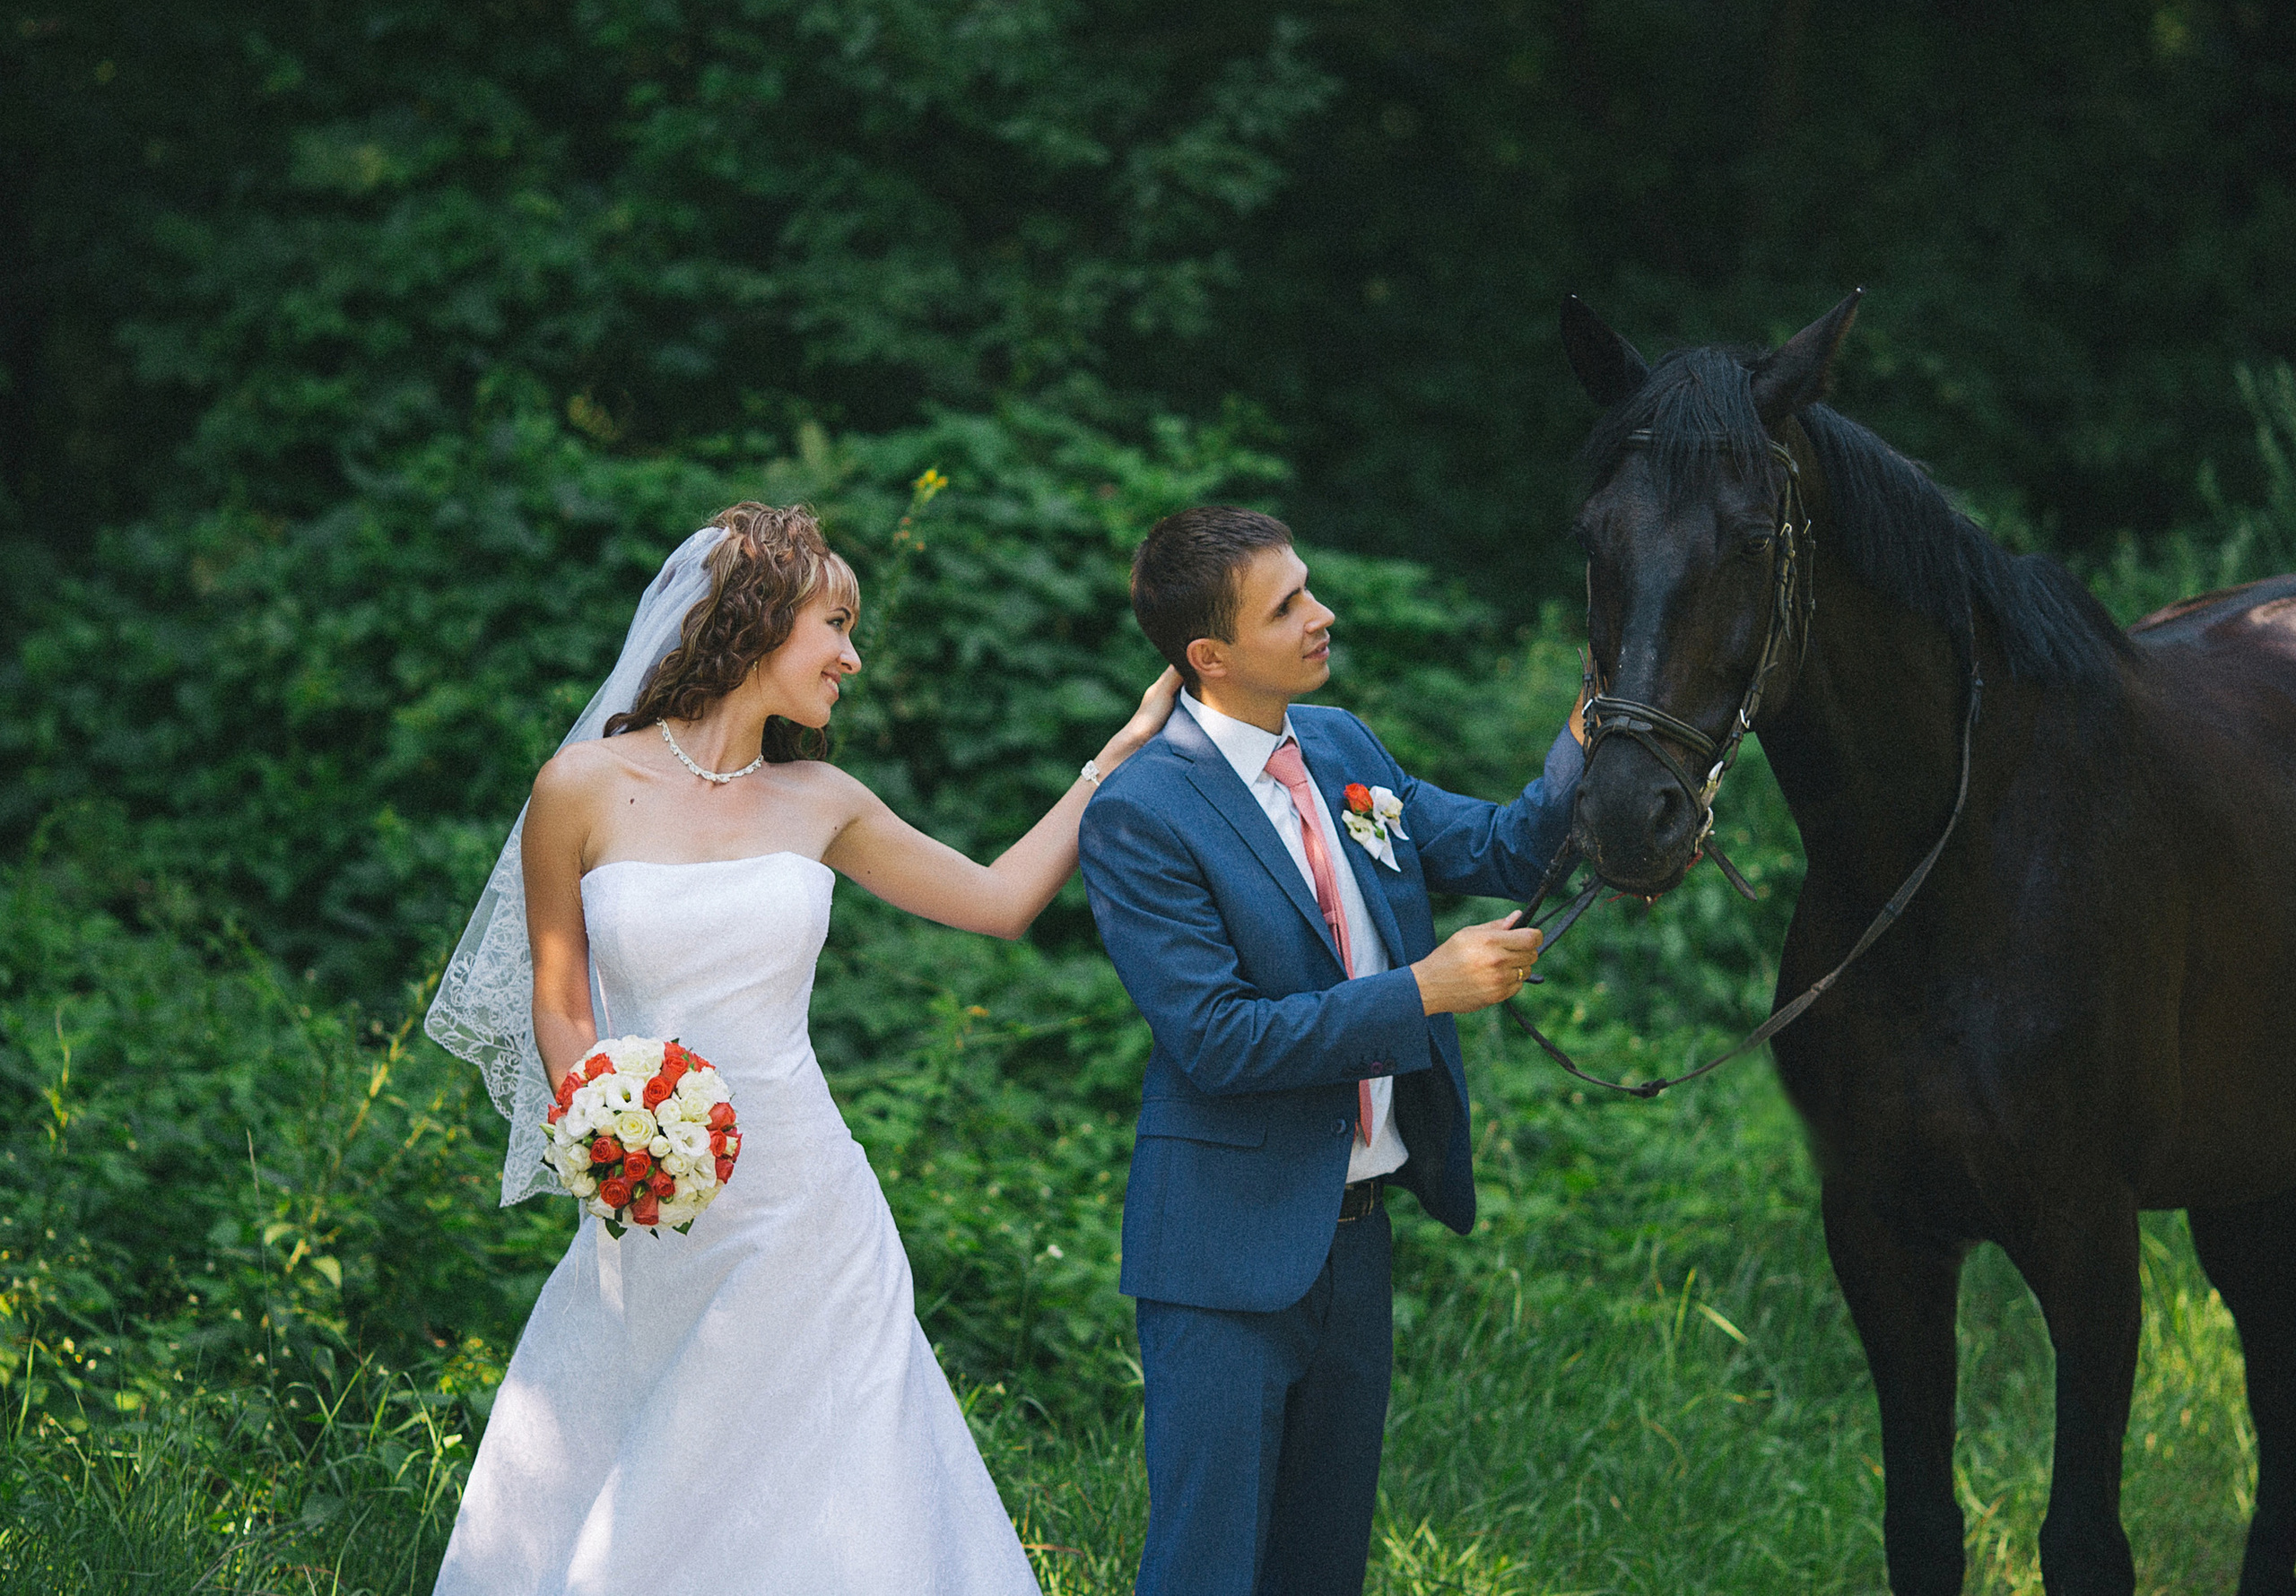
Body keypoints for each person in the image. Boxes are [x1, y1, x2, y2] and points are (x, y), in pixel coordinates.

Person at [425, 500, 1179, 1596]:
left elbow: (1001, 898)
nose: (852, 655)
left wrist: (1110, 761)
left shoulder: (822, 799)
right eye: (835, 623)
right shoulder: (579, 788)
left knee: (834, 1482)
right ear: (757, 620)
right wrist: (607, 1130)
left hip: (811, 1210)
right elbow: (561, 1000)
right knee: (657, 1478)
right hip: (654, 1202)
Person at [1077, 506, 1582, 1596]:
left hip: (1355, 1242)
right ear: (1210, 656)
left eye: (1307, 587)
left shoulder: (1344, 746)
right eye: (1288, 605)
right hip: (1219, 1255)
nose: (1323, 614)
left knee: (1322, 1567)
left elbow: (1501, 844)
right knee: (1206, 1569)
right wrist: (1422, 991)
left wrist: (1592, 736)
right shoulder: (1140, 813)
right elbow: (1214, 1040)